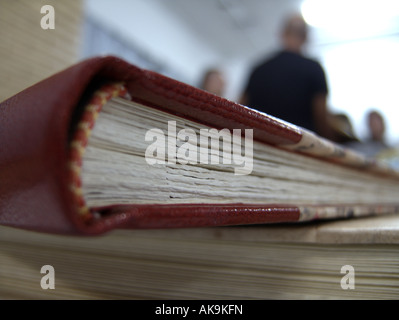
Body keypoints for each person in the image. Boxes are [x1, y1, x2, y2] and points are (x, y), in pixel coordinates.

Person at [240, 13, 334, 140]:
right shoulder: (314, 68)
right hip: (298, 148)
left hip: (259, 144)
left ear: (282, 34)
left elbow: (241, 108)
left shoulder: (259, 68)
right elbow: (321, 115)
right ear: (306, 37)